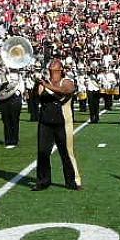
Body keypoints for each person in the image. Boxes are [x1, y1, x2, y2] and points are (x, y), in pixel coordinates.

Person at [33, 59, 82, 191]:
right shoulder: (44, 83)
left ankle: (73, 181)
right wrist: (36, 85)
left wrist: (46, 85)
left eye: (54, 70)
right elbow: (36, 97)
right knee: (42, 152)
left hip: (63, 122)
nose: (51, 71)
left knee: (66, 152)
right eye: (50, 69)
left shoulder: (66, 81)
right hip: (45, 122)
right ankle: (43, 181)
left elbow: (66, 91)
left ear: (60, 70)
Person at [0, 67, 24, 146]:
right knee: (6, 120)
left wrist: (14, 91)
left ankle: (15, 140)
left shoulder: (17, 75)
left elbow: (21, 88)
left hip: (14, 98)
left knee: (15, 120)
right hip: (3, 100)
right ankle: (8, 140)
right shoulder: (0, 75)